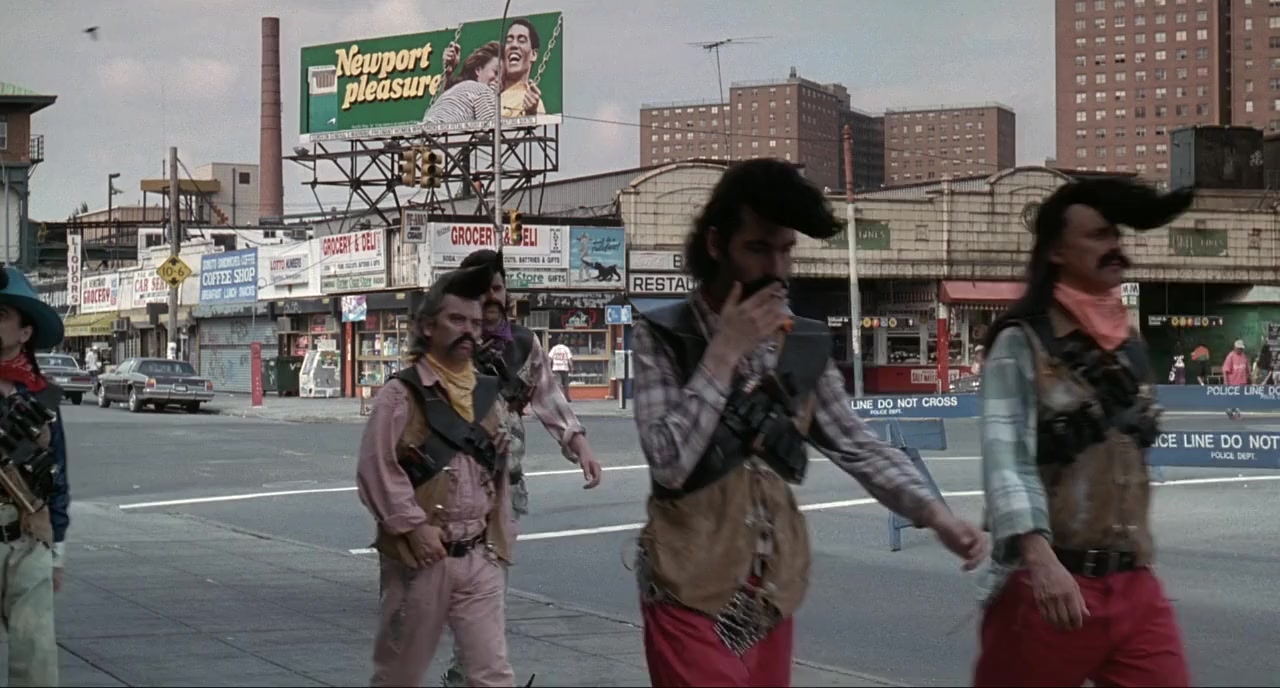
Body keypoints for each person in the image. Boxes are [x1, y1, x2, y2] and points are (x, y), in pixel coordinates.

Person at [629, 158, 988, 687]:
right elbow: (668, 463)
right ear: (716, 244)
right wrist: (723, 353)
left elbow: (856, 443)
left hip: (768, 594)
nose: (776, 268)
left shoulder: (800, 341)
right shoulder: (665, 335)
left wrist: (936, 515)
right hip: (687, 587)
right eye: (758, 248)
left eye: (786, 250)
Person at [973, 177, 1194, 687]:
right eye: (1097, 235)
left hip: (1133, 586)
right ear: (1056, 251)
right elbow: (1006, 461)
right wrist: (1040, 562)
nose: (1113, 246)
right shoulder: (1020, 343)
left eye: (1115, 234)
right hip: (1048, 587)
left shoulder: (1128, 343)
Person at [439, 247, 603, 688]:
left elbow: (549, 397)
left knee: (488, 594)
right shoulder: (447, 343)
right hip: (449, 494)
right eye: (481, 290)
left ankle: (468, 677)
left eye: (497, 287)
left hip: (503, 491)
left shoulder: (524, 345)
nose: (491, 297)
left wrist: (580, 444)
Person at [356, 263, 516, 687]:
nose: (469, 331)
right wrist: (412, 526)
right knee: (399, 675)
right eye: (457, 320)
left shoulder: (486, 391)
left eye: (476, 323)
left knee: (492, 675)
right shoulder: (401, 394)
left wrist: (499, 454)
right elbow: (375, 467)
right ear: (428, 326)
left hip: (477, 555)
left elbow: (494, 469)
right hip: (419, 559)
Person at [0, 266, 70, 687]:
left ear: (24, 333)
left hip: (27, 537)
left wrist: (56, 551)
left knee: (36, 662)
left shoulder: (41, 397)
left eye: (1, 315)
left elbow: (58, 476)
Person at [425, 41, 500, 126]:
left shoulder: (457, 91)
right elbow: (492, 127)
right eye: (496, 72)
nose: (499, 80)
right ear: (478, 70)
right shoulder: (482, 90)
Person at [499, 18, 546, 117]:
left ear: (533, 55)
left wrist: (531, 114)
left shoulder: (532, 102)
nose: (514, 45)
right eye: (509, 40)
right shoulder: (489, 92)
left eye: (521, 40)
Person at [1222, 339, 1249, 419]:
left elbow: (1247, 369)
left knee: (1239, 399)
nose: (1240, 349)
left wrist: (1249, 378)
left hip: (1242, 382)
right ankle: (1232, 411)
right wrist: (1226, 382)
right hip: (1233, 382)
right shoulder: (1230, 356)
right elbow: (1225, 370)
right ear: (1235, 347)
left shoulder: (1244, 356)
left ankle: (1234, 411)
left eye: (1241, 348)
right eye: (1239, 348)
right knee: (1233, 398)